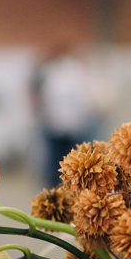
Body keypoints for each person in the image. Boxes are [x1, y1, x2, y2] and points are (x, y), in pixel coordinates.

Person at [31, 45, 102, 188]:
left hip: (72, 126)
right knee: (55, 164)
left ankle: (66, 189)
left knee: (71, 164)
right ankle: (56, 190)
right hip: (55, 126)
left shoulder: (73, 73)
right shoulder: (52, 73)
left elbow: (83, 100)